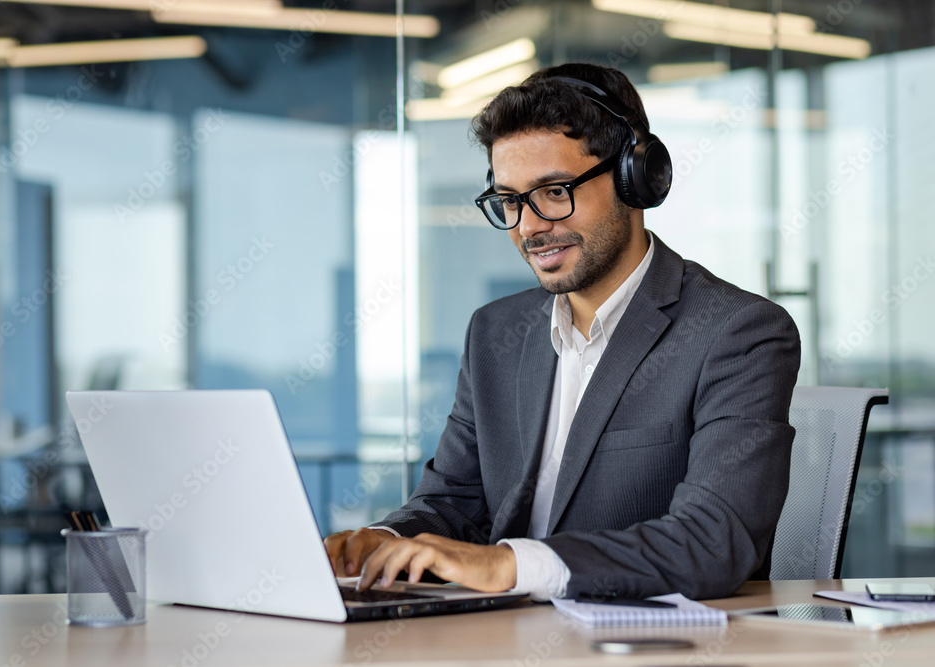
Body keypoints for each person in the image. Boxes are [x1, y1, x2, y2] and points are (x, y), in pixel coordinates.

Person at [324, 62, 801, 602]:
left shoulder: (737, 333)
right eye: (509, 200)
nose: (529, 227)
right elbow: (454, 501)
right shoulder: (495, 333)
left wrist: (510, 565)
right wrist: (382, 542)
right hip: (505, 638)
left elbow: (712, 542)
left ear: (634, 179)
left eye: (554, 191)